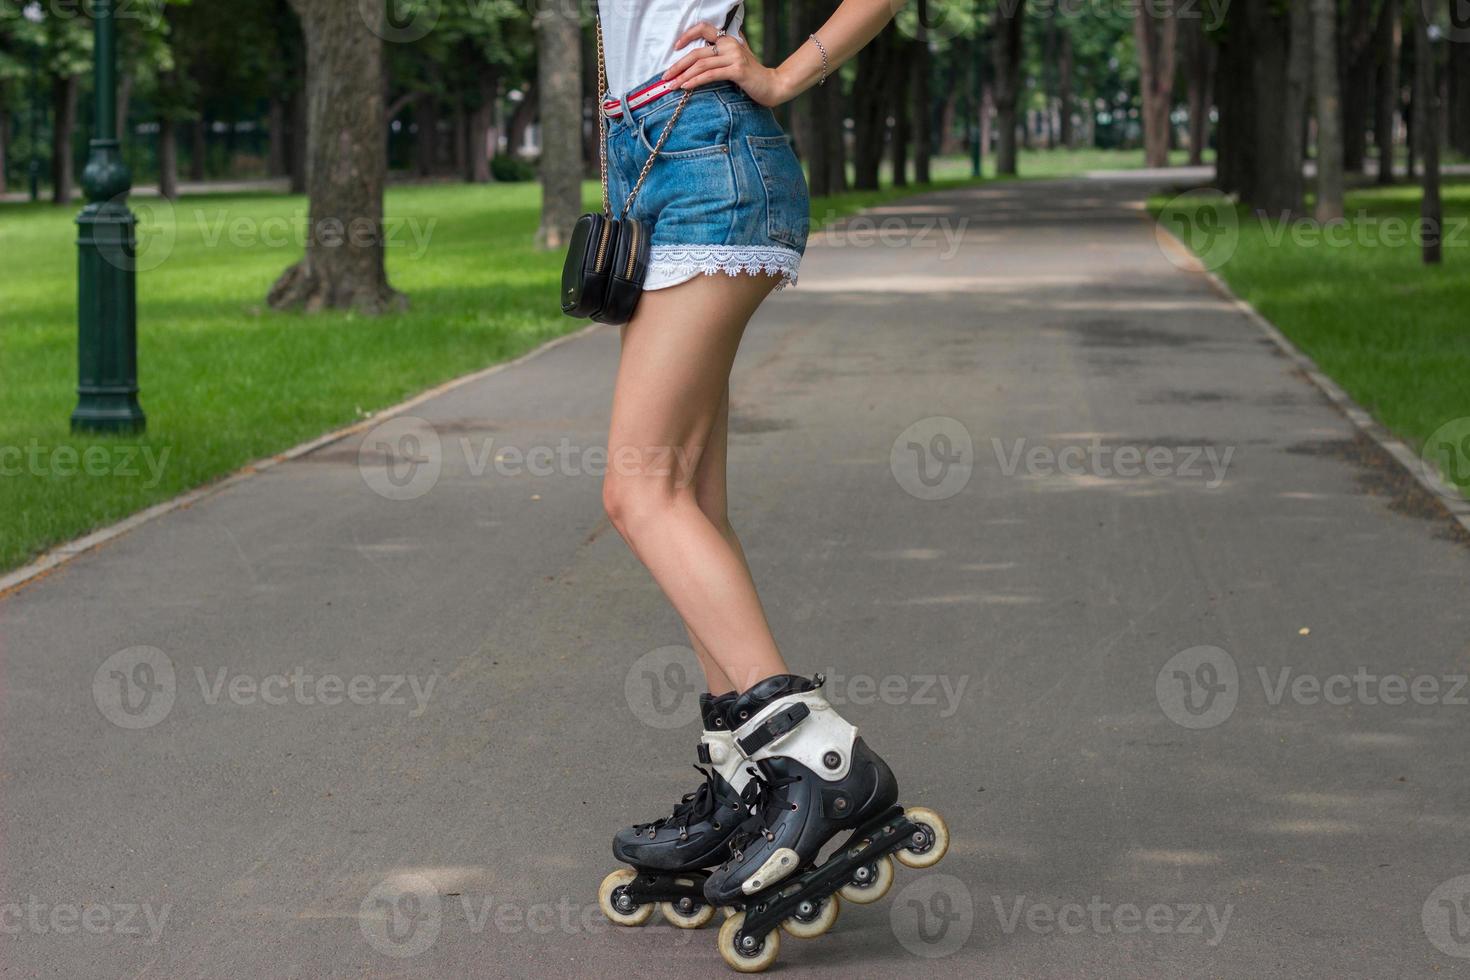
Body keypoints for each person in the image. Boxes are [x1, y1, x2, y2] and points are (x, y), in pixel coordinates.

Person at [592, 2, 949, 970]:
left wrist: (786, 74)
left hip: (709, 158)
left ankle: (817, 754)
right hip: (653, 151)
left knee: (637, 490)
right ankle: (743, 774)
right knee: (689, 501)